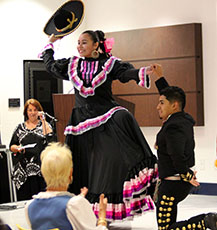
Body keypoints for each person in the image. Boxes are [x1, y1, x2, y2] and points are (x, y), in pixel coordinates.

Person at [39, 26, 160, 220]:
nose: (79, 46)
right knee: (84, 167)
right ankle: (83, 210)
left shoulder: (108, 63)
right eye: (78, 43)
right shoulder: (73, 64)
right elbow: (51, 66)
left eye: (84, 42)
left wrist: (143, 71)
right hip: (80, 123)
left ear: (96, 45)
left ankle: (117, 195)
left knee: (122, 118)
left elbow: (124, 73)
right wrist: (50, 45)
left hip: (104, 115)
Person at [153, 70, 217, 230]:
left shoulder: (173, 127)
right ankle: (206, 221)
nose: (157, 106)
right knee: (170, 225)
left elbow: (177, 155)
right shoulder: (183, 118)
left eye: (161, 103)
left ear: (173, 105)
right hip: (177, 183)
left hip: (172, 184)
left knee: (166, 229)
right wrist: (159, 77)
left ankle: (205, 221)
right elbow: (172, 96)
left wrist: (186, 175)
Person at [25, 142, 108, 230]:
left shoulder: (30, 206)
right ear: (70, 173)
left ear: (44, 173)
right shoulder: (74, 204)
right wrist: (102, 218)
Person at [9, 98, 53, 201]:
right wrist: (17, 148)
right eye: (30, 110)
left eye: (35, 110)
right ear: (26, 112)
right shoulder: (19, 128)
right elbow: (12, 146)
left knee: (41, 200)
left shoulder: (45, 125)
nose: (32, 113)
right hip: (23, 170)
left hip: (41, 170)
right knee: (24, 200)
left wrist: (43, 120)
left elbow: (50, 140)